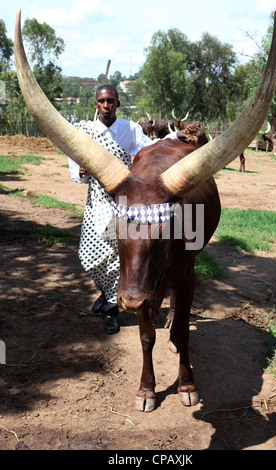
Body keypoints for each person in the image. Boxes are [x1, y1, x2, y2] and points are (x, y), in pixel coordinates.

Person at [68, 85, 180, 334]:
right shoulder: (86, 132)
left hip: (125, 204)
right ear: (95, 104)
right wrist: (81, 171)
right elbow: (73, 168)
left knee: (120, 256)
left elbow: (149, 147)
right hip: (97, 200)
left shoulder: (129, 129)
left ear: (117, 103)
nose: (106, 105)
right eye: (101, 101)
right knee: (90, 256)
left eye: (110, 101)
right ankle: (106, 294)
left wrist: (178, 139)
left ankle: (111, 310)